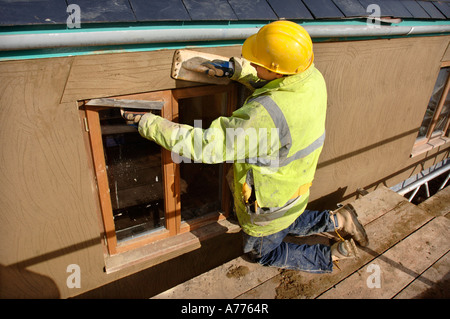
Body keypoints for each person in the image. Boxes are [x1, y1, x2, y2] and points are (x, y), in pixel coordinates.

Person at [122, 21, 368, 273]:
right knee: (288, 220)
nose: (255, 67)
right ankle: (339, 219)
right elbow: (275, 84)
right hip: (293, 190)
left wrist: (148, 123)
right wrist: (235, 70)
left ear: (279, 70)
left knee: (260, 252)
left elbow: (209, 146)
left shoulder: (266, 114)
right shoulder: (310, 77)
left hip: (268, 205)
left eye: (259, 64)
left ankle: (328, 255)